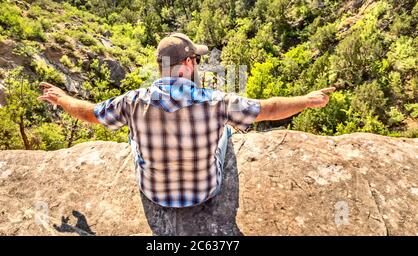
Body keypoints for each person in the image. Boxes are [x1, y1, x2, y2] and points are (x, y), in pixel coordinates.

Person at [39, 33, 334, 228]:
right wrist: (308, 100)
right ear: (189, 63)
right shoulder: (217, 102)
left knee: (133, 136)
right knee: (227, 133)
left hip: (154, 192)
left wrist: (61, 98)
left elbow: (91, 114)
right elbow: (268, 109)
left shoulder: (132, 102)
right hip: (205, 191)